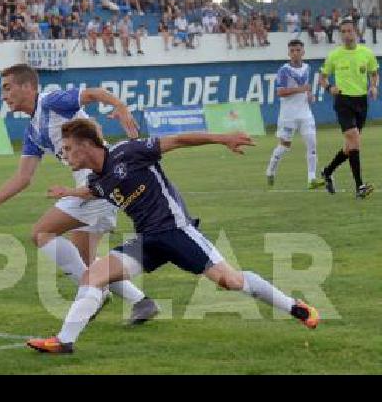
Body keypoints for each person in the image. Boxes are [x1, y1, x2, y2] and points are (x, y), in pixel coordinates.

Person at [26, 119, 320, 354]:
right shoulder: (97, 181)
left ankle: (296, 307)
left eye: (67, 148)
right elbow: (90, 191)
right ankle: (64, 341)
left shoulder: (129, 152)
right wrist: (68, 193)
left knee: (230, 281)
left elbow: (177, 141)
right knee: (94, 276)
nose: (63, 155)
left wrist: (222, 138)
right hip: (148, 240)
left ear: (87, 145)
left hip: (176, 231)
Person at [0, 64, 159, 324]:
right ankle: (141, 302)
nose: (3, 95)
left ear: (28, 87)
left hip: (97, 184)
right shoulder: (33, 130)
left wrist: (120, 107)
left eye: (8, 88)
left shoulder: (51, 102)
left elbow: (93, 94)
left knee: (42, 233)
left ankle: (94, 293)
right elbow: (24, 177)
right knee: (87, 262)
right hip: (94, 188)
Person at [318, 19, 379, 199]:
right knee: (354, 139)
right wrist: (330, 88)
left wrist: (374, 86)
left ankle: (327, 171)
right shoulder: (334, 55)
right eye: (343, 31)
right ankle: (360, 186)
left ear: (356, 32)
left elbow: (374, 74)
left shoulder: (367, 53)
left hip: (361, 102)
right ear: (340, 34)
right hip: (343, 101)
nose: (346, 34)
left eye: (349, 31)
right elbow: (322, 78)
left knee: (349, 146)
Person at [266, 40, 324, 189]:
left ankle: (311, 179)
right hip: (288, 115)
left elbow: (306, 88)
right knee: (285, 146)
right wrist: (301, 89)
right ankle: (271, 170)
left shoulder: (307, 68)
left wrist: (309, 94)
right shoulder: (284, 70)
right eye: (292, 51)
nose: (295, 53)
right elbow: (280, 92)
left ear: (303, 52)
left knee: (312, 145)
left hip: (305, 114)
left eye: (298, 50)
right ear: (288, 53)